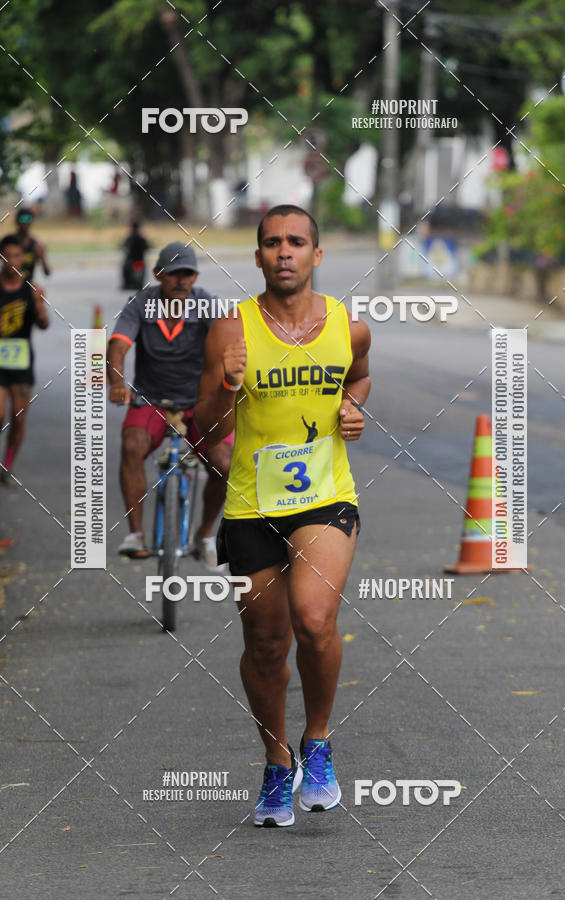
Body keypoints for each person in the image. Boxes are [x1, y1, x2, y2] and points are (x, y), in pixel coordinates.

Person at [194, 204, 371, 827]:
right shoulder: (230, 331)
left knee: (314, 620)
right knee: (265, 646)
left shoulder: (348, 327)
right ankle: (275, 761)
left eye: (297, 242)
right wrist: (224, 382)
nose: (285, 252)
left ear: (317, 255)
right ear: (259, 256)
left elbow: (361, 378)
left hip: (326, 499)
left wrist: (351, 409)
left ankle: (316, 743)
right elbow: (202, 431)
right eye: (272, 243)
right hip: (251, 505)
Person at [108, 241, 232, 563]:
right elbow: (117, 347)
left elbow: (228, 346)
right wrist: (117, 383)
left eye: (187, 274)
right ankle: (136, 535)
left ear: (195, 276)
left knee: (224, 464)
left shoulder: (207, 305)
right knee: (132, 446)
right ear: (158, 274)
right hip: (152, 400)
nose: (180, 281)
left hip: (199, 403)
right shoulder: (140, 304)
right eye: (173, 274)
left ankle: (204, 535)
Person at [0, 234, 49, 481]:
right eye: (6, 256)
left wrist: (40, 305)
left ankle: (7, 466)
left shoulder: (32, 289)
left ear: (23, 258)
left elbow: (44, 325)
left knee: (18, 419)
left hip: (21, 360)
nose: (12, 261)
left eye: (17, 256)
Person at [15, 208, 51, 283]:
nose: (26, 223)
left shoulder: (36, 245)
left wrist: (42, 257)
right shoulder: (9, 242)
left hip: (28, 285)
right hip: (9, 285)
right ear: (17, 221)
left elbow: (47, 273)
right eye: (23, 219)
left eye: (28, 219)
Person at [121, 221, 150, 290]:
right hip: (138, 259)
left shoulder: (129, 238)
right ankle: (129, 284)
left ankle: (127, 284)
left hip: (132, 260)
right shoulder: (141, 238)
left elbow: (124, 246)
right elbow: (147, 247)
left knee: (125, 268)